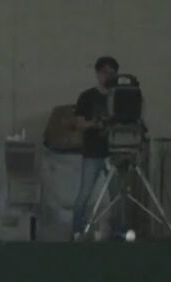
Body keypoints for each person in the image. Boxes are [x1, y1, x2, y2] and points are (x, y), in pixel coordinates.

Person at [70, 56, 120, 240]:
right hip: (93, 153)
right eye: (105, 72)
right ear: (98, 74)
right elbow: (79, 124)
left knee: (118, 194)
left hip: (115, 153)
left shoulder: (120, 96)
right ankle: (77, 230)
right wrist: (95, 124)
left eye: (112, 73)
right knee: (85, 194)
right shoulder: (87, 97)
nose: (109, 76)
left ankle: (119, 231)